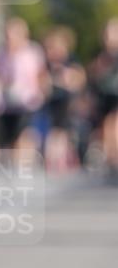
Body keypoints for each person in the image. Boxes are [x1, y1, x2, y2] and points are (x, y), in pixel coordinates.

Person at [0, 17, 48, 160]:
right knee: (9, 138)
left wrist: (41, 91)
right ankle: (14, 167)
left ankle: (24, 164)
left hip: (28, 101)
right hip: (7, 103)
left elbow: (41, 74)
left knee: (25, 134)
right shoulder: (2, 54)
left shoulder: (32, 52)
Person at [42, 26, 86, 173]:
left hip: (67, 102)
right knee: (53, 131)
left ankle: (62, 158)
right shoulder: (47, 64)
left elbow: (78, 79)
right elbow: (41, 81)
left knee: (63, 132)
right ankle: (53, 159)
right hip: (52, 103)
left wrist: (64, 79)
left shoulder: (70, 60)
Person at [89, 17, 118, 180]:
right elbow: (94, 74)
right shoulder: (100, 54)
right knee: (106, 127)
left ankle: (115, 158)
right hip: (105, 94)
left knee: (114, 124)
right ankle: (111, 159)